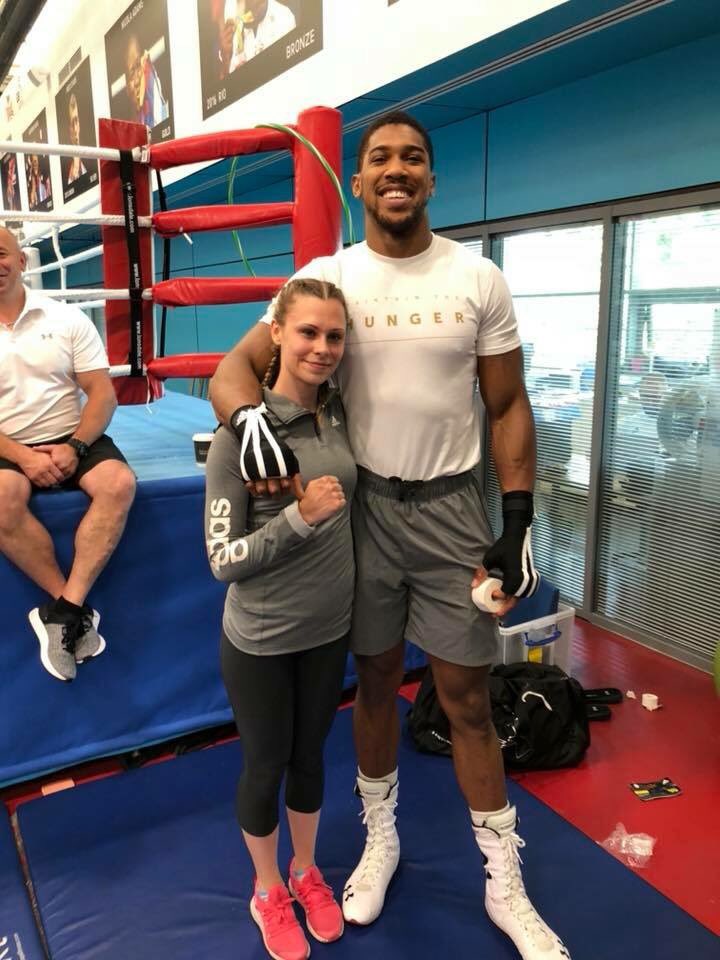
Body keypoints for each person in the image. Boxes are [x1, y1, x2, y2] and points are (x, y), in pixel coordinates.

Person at [209, 111, 570, 959]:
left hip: (451, 512)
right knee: (372, 683)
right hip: (362, 509)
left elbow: (508, 404)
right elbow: (234, 368)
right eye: (379, 159)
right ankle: (381, 839)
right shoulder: (328, 276)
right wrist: (249, 420)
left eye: (413, 157)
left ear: (431, 180)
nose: (397, 169)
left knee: (468, 698)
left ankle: (503, 881)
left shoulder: (478, 277)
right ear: (360, 181)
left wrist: (517, 515)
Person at [205, 278, 355, 960]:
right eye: (307, 333)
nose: (321, 348)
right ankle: (267, 888)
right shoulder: (238, 438)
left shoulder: (338, 416)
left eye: (333, 335)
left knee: (311, 758)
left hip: (329, 632)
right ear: (277, 336)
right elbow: (221, 560)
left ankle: (305, 870)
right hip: (262, 640)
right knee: (265, 765)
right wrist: (299, 518)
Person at [0, 228, 136, 682]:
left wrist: (76, 445)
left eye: (1, 254)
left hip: (71, 434)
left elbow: (102, 393)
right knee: (1, 497)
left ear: (22, 261)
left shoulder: (66, 319)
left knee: (118, 483)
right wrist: (23, 456)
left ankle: (64, 610)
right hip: (6, 442)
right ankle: (70, 610)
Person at [124, 34, 169, 128]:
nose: (136, 81)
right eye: (131, 74)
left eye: (138, 66)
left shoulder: (161, 110)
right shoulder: (130, 132)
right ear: (127, 88)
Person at [66, 93, 88, 185]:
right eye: (72, 124)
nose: (75, 129)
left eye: (76, 121)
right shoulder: (67, 170)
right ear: (68, 129)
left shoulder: (89, 160)